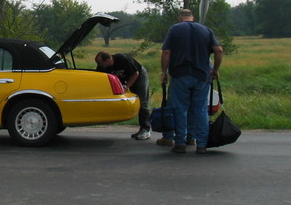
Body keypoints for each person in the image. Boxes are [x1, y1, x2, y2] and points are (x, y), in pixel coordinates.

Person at [160, 9, 224, 154]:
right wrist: (215, 69)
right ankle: (201, 144)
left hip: (180, 74)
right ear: (192, 17)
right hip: (201, 75)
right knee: (200, 109)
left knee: (180, 108)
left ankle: (180, 143)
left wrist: (163, 72)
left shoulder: (175, 29)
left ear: (180, 18)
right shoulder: (206, 30)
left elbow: (166, 52)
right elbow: (219, 50)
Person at [95, 51, 151, 140]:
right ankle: (141, 130)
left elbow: (135, 74)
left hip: (138, 76)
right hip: (126, 79)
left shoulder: (122, 59)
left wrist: (126, 87)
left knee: (142, 102)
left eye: (100, 63)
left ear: (108, 60)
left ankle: (146, 129)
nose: (98, 65)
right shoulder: (103, 67)